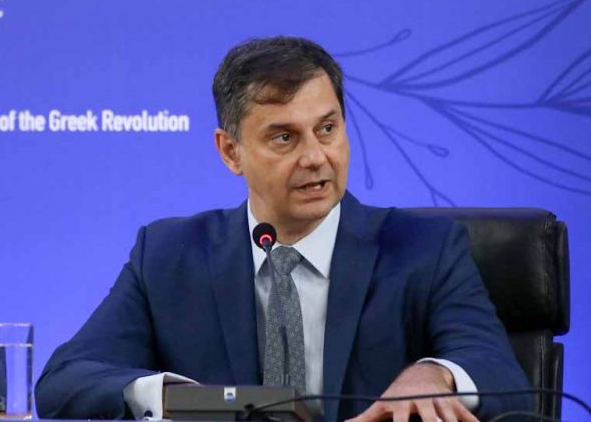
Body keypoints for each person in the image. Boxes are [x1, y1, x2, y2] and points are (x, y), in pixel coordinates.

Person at [35, 37, 531, 421]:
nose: (315, 157)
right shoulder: (169, 255)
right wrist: (177, 399)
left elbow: (503, 375)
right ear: (231, 152)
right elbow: (65, 381)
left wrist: (435, 374)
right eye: (284, 138)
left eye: (327, 129)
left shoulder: (423, 249)